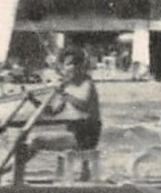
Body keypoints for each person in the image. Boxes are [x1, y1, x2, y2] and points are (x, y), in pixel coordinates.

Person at [15, 48, 103, 182]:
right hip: (75, 132)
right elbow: (52, 112)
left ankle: (16, 176)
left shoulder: (87, 84)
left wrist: (63, 93)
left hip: (87, 135)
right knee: (31, 141)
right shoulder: (68, 86)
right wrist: (33, 100)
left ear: (80, 67)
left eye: (70, 64)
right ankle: (13, 173)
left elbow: (83, 106)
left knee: (37, 141)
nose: (67, 69)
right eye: (66, 64)